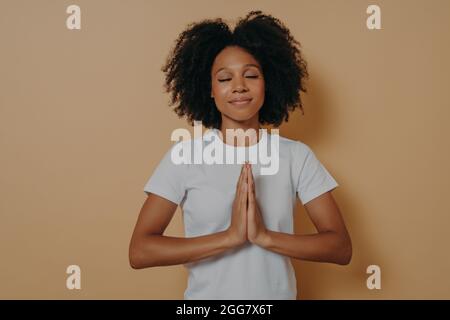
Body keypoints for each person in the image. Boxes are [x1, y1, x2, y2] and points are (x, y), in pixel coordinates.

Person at [129, 10, 352, 300]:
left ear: (267, 82)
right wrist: (230, 237)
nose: (238, 86)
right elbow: (140, 251)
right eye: (224, 78)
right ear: (208, 89)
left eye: (251, 75)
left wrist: (264, 237)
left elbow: (340, 248)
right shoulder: (183, 156)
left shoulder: (296, 156)